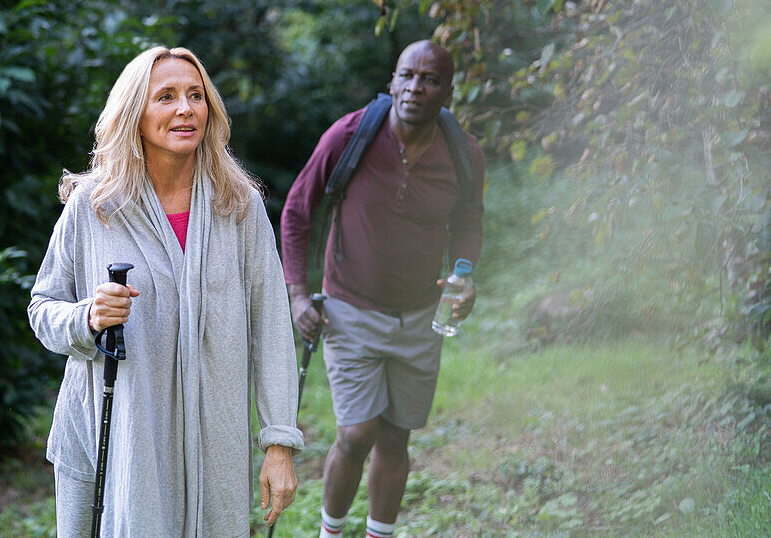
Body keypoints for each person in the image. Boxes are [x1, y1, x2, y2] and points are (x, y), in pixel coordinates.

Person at [27, 45, 303, 537]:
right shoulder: (95, 205)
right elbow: (43, 308)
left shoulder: (237, 206)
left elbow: (273, 327)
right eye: (167, 97)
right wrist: (88, 317)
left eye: (196, 95)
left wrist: (279, 443)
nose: (185, 108)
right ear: (135, 113)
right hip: (110, 440)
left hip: (212, 444)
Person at [279, 39, 485, 538]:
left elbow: (468, 223)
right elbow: (297, 213)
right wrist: (297, 295)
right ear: (392, 82)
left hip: (422, 316)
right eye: (406, 76)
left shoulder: (462, 154)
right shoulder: (350, 136)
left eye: (430, 79)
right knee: (356, 434)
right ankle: (330, 533)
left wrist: (465, 274)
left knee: (396, 437)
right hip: (350, 307)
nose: (415, 88)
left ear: (448, 91)